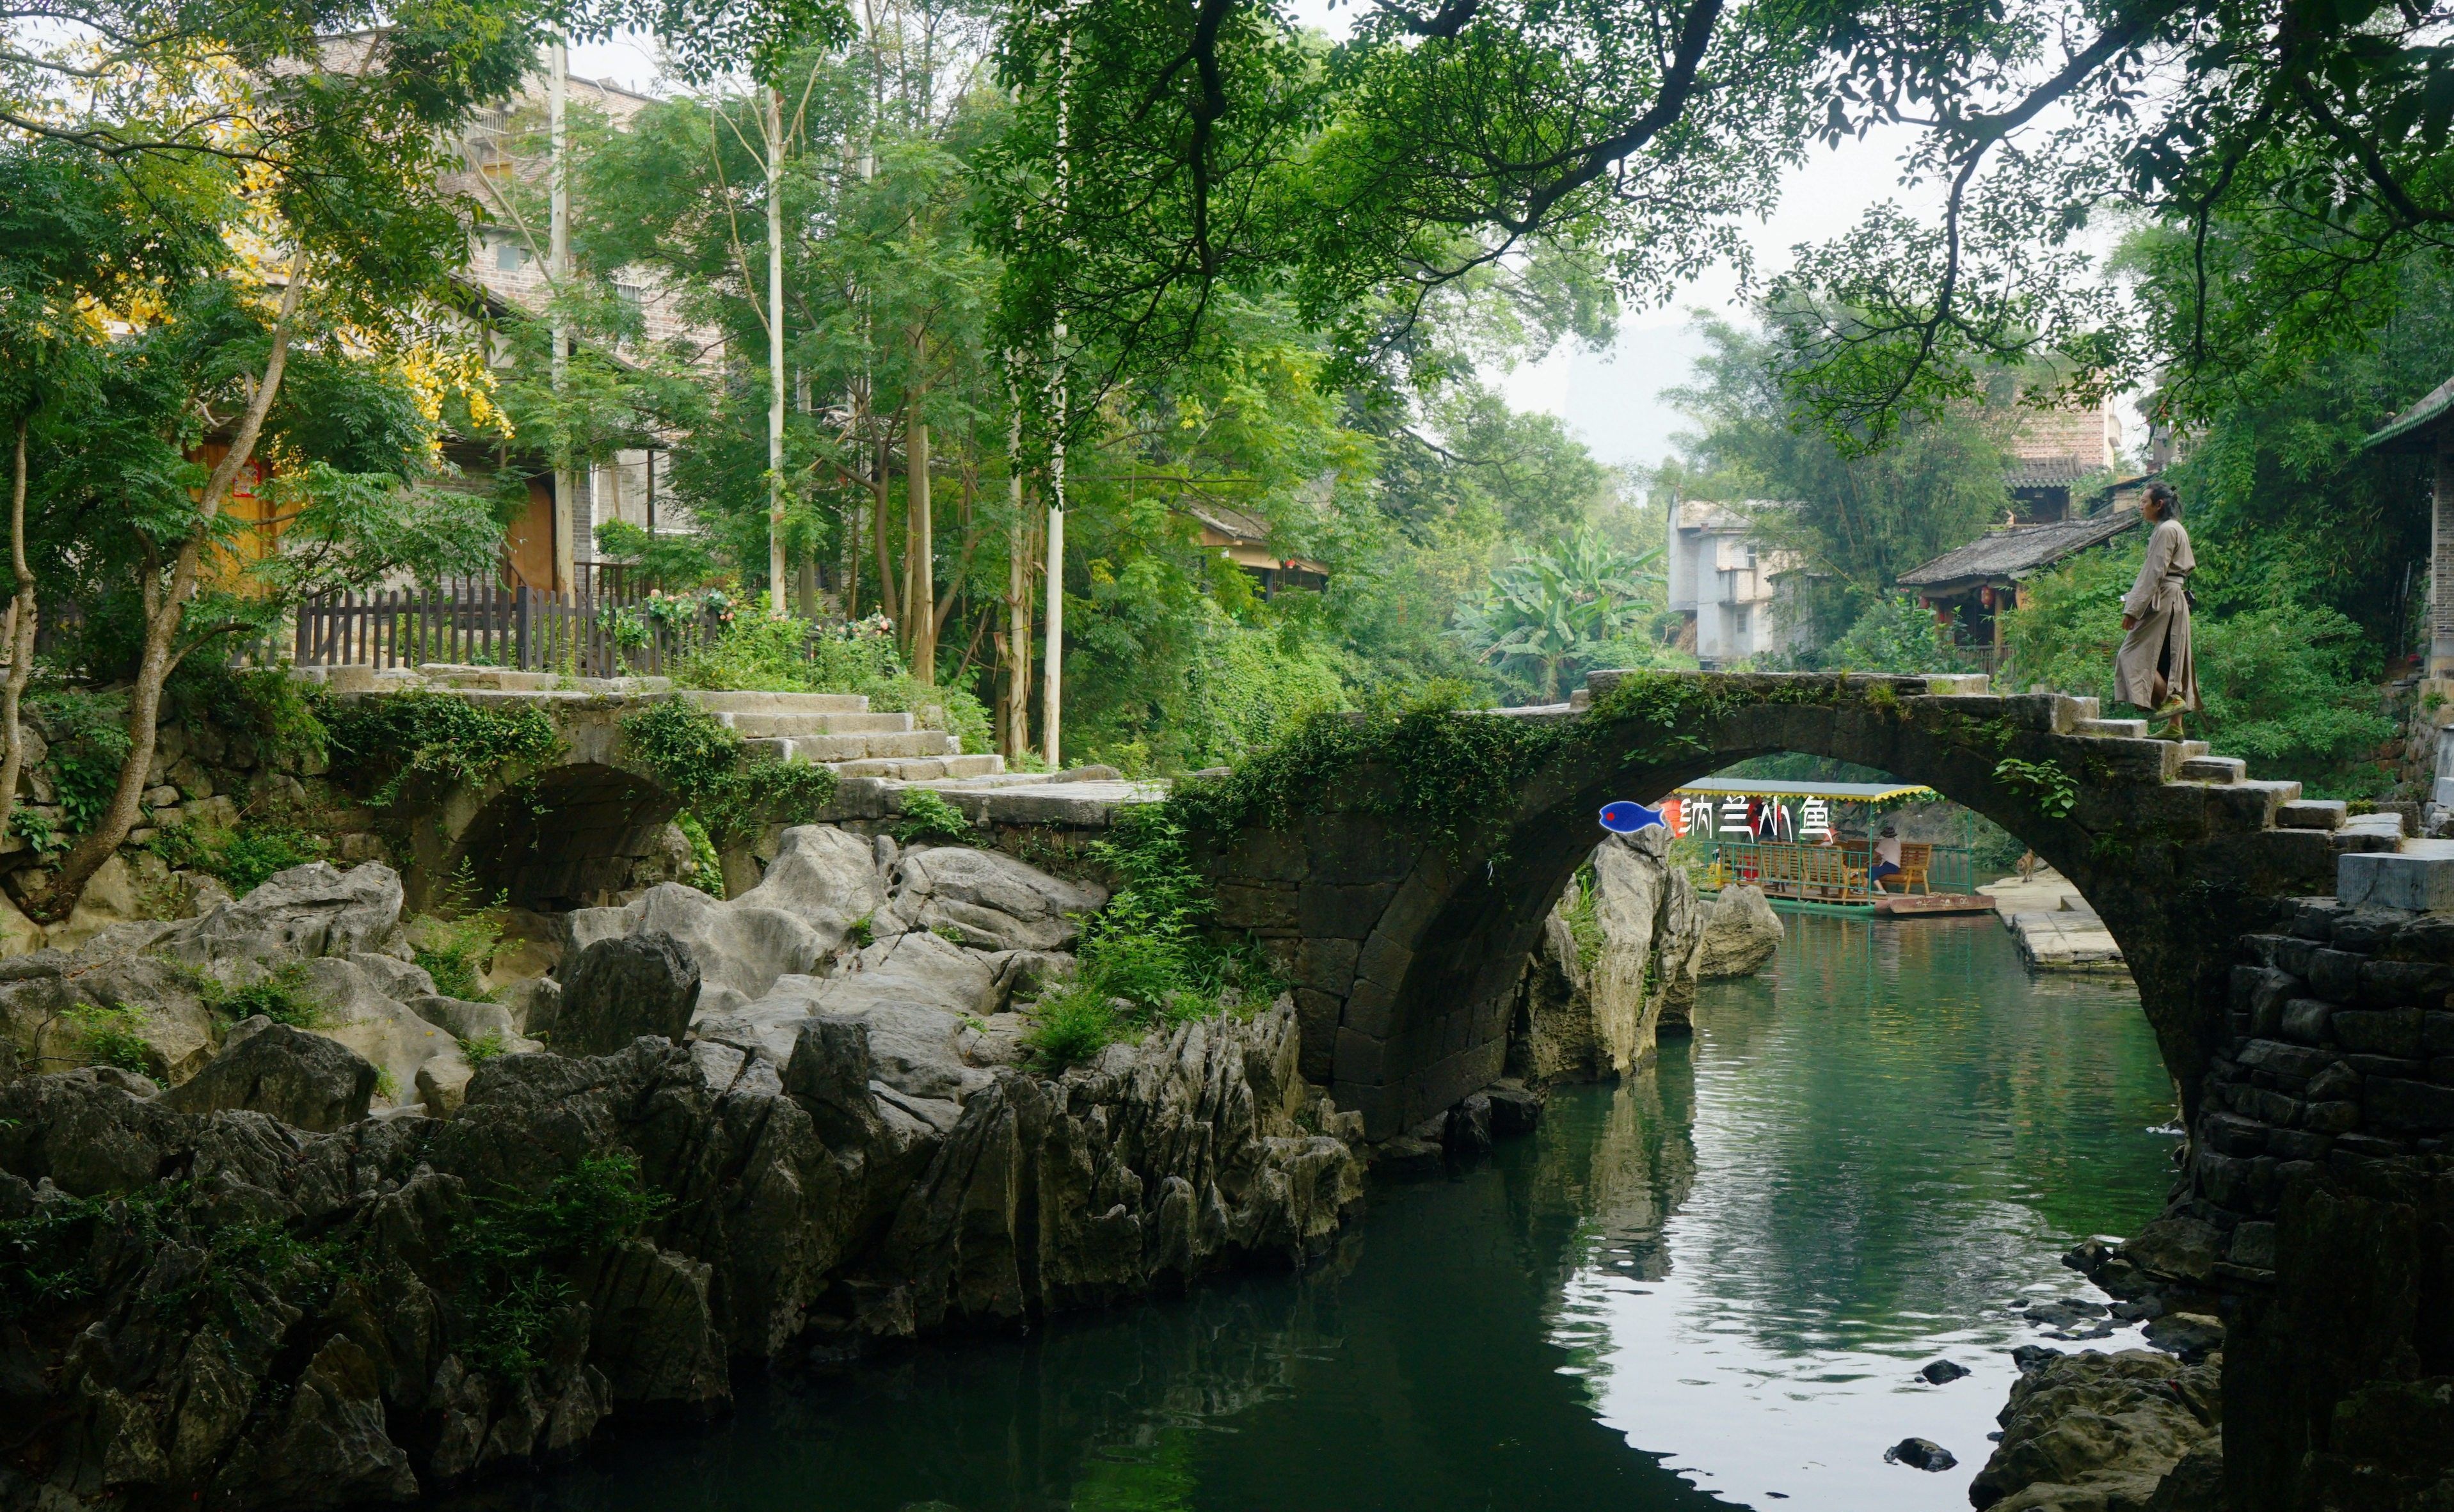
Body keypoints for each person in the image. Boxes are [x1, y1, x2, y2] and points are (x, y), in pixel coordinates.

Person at [2117, 481, 2201, 738]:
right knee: (2168, 663)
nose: (2140, 507)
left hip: (2165, 598)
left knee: (2130, 656)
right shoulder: (2174, 528)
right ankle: (2175, 727)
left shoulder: (2166, 530)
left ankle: (2171, 701)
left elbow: (2154, 572)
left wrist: (2133, 609)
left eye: (2144, 502)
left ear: (2159, 504)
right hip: (2174, 597)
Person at [1871, 824, 1904, 891]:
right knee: (1873, 870)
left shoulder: (1884, 841)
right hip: (1896, 867)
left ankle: (1881, 890)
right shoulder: (1897, 841)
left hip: (1889, 866)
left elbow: (1876, 853)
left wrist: (1869, 859)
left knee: (1871, 871)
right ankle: (1883, 890)